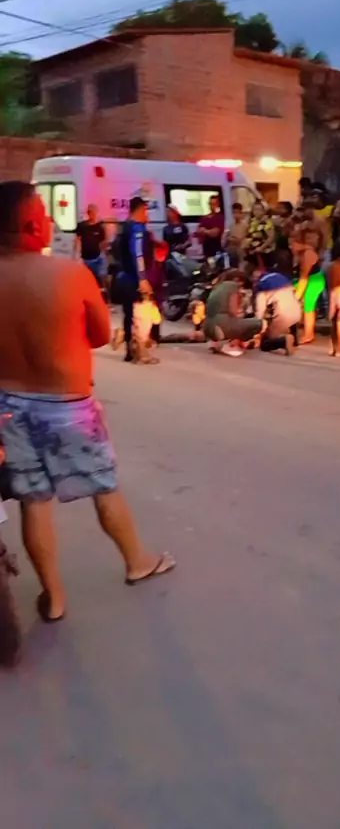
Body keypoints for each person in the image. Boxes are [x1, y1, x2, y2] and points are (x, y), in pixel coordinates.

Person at [0, 181, 175, 623]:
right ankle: (137, 561)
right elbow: (98, 335)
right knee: (104, 487)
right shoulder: (69, 274)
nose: (49, 220)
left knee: (33, 500)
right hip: (68, 405)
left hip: (8, 405)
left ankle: (54, 595)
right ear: (31, 225)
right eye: (44, 214)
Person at [115, 196, 157, 364]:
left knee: (128, 315)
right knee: (141, 315)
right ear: (140, 210)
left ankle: (129, 351)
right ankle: (140, 352)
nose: (147, 214)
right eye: (146, 210)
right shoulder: (136, 228)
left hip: (123, 276)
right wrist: (142, 278)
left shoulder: (124, 226)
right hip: (133, 278)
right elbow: (137, 253)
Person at [203, 270, 263, 356]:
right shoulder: (233, 286)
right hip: (222, 325)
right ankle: (231, 344)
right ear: (237, 279)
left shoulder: (218, 286)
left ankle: (217, 343)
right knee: (259, 323)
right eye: (242, 283)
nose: (241, 287)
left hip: (208, 325)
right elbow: (233, 311)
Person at [291, 214, 326, 344]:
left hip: (312, 280)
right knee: (305, 307)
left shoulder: (309, 254)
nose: (311, 239)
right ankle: (305, 332)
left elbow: (304, 276)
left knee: (308, 307)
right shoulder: (303, 248)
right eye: (308, 236)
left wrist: (298, 294)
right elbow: (294, 244)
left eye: (314, 236)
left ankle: (308, 334)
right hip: (306, 278)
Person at [255, 259, 301, 355]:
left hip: (283, 316)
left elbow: (260, 312)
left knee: (264, 344)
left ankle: (283, 341)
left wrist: (259, 334)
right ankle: (294, 340)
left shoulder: (262, 287)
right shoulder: (283, 279)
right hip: (297, 313)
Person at [75, 204, 108, 291]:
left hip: (98, 258)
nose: (92, 214)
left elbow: (103, 242)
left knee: (101, 279)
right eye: (90, 212)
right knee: (86, 281)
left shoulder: (100, 227)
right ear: (88, 213)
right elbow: (78, 240)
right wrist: (77, 256)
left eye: (94, 212)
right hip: (85, 259)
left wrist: (104, 254)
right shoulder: (82, 226)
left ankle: (104, 294)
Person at [244, 201, 275, 276]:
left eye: (259, 209)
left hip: (264, 251)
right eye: (255, 209)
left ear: (264, 211)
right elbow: (249, 234)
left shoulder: (267, 222)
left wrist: (261, 248)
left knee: (262, 272)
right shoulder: (253, 221)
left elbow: (271, 237)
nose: (257, 212)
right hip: (252, 251)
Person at [196, 195, 225, 259]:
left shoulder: (220, 217)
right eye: (211, 204)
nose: (212, 206)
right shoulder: (204, 218)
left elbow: (215, 233)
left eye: (214, 204)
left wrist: (205, 231)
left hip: (216, 249)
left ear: (218, 204)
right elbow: (199, 231)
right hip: (206, 249)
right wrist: (209, 231)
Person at [223, 202, 248, 268]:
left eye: (237, 212)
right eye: (234, 212)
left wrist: (229, 238)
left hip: (241, 253)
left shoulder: (244, 225)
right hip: (231, 252)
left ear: (241, 213)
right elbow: (225, 239)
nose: (235, 215)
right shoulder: (230, 225)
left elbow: (238, 240)